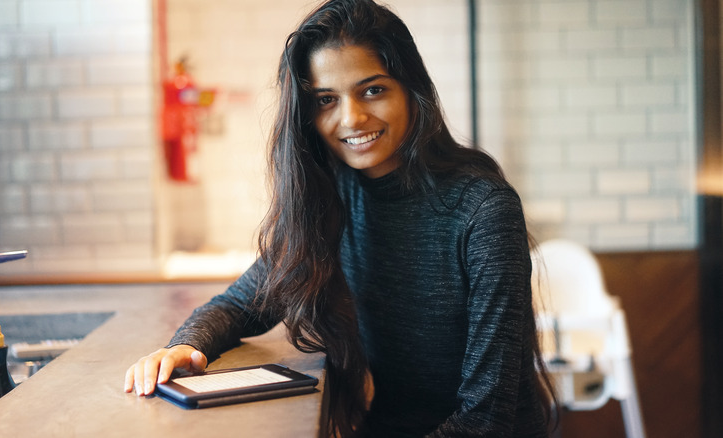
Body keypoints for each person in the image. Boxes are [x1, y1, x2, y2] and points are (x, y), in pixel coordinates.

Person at [124, 0, 554, 436]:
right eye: (326, 100)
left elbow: (487, 416)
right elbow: (245, 302)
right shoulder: (333, 195)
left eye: (373, 90)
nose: (352, 117)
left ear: (411, 89)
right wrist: (185, 345)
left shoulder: (483, 208)